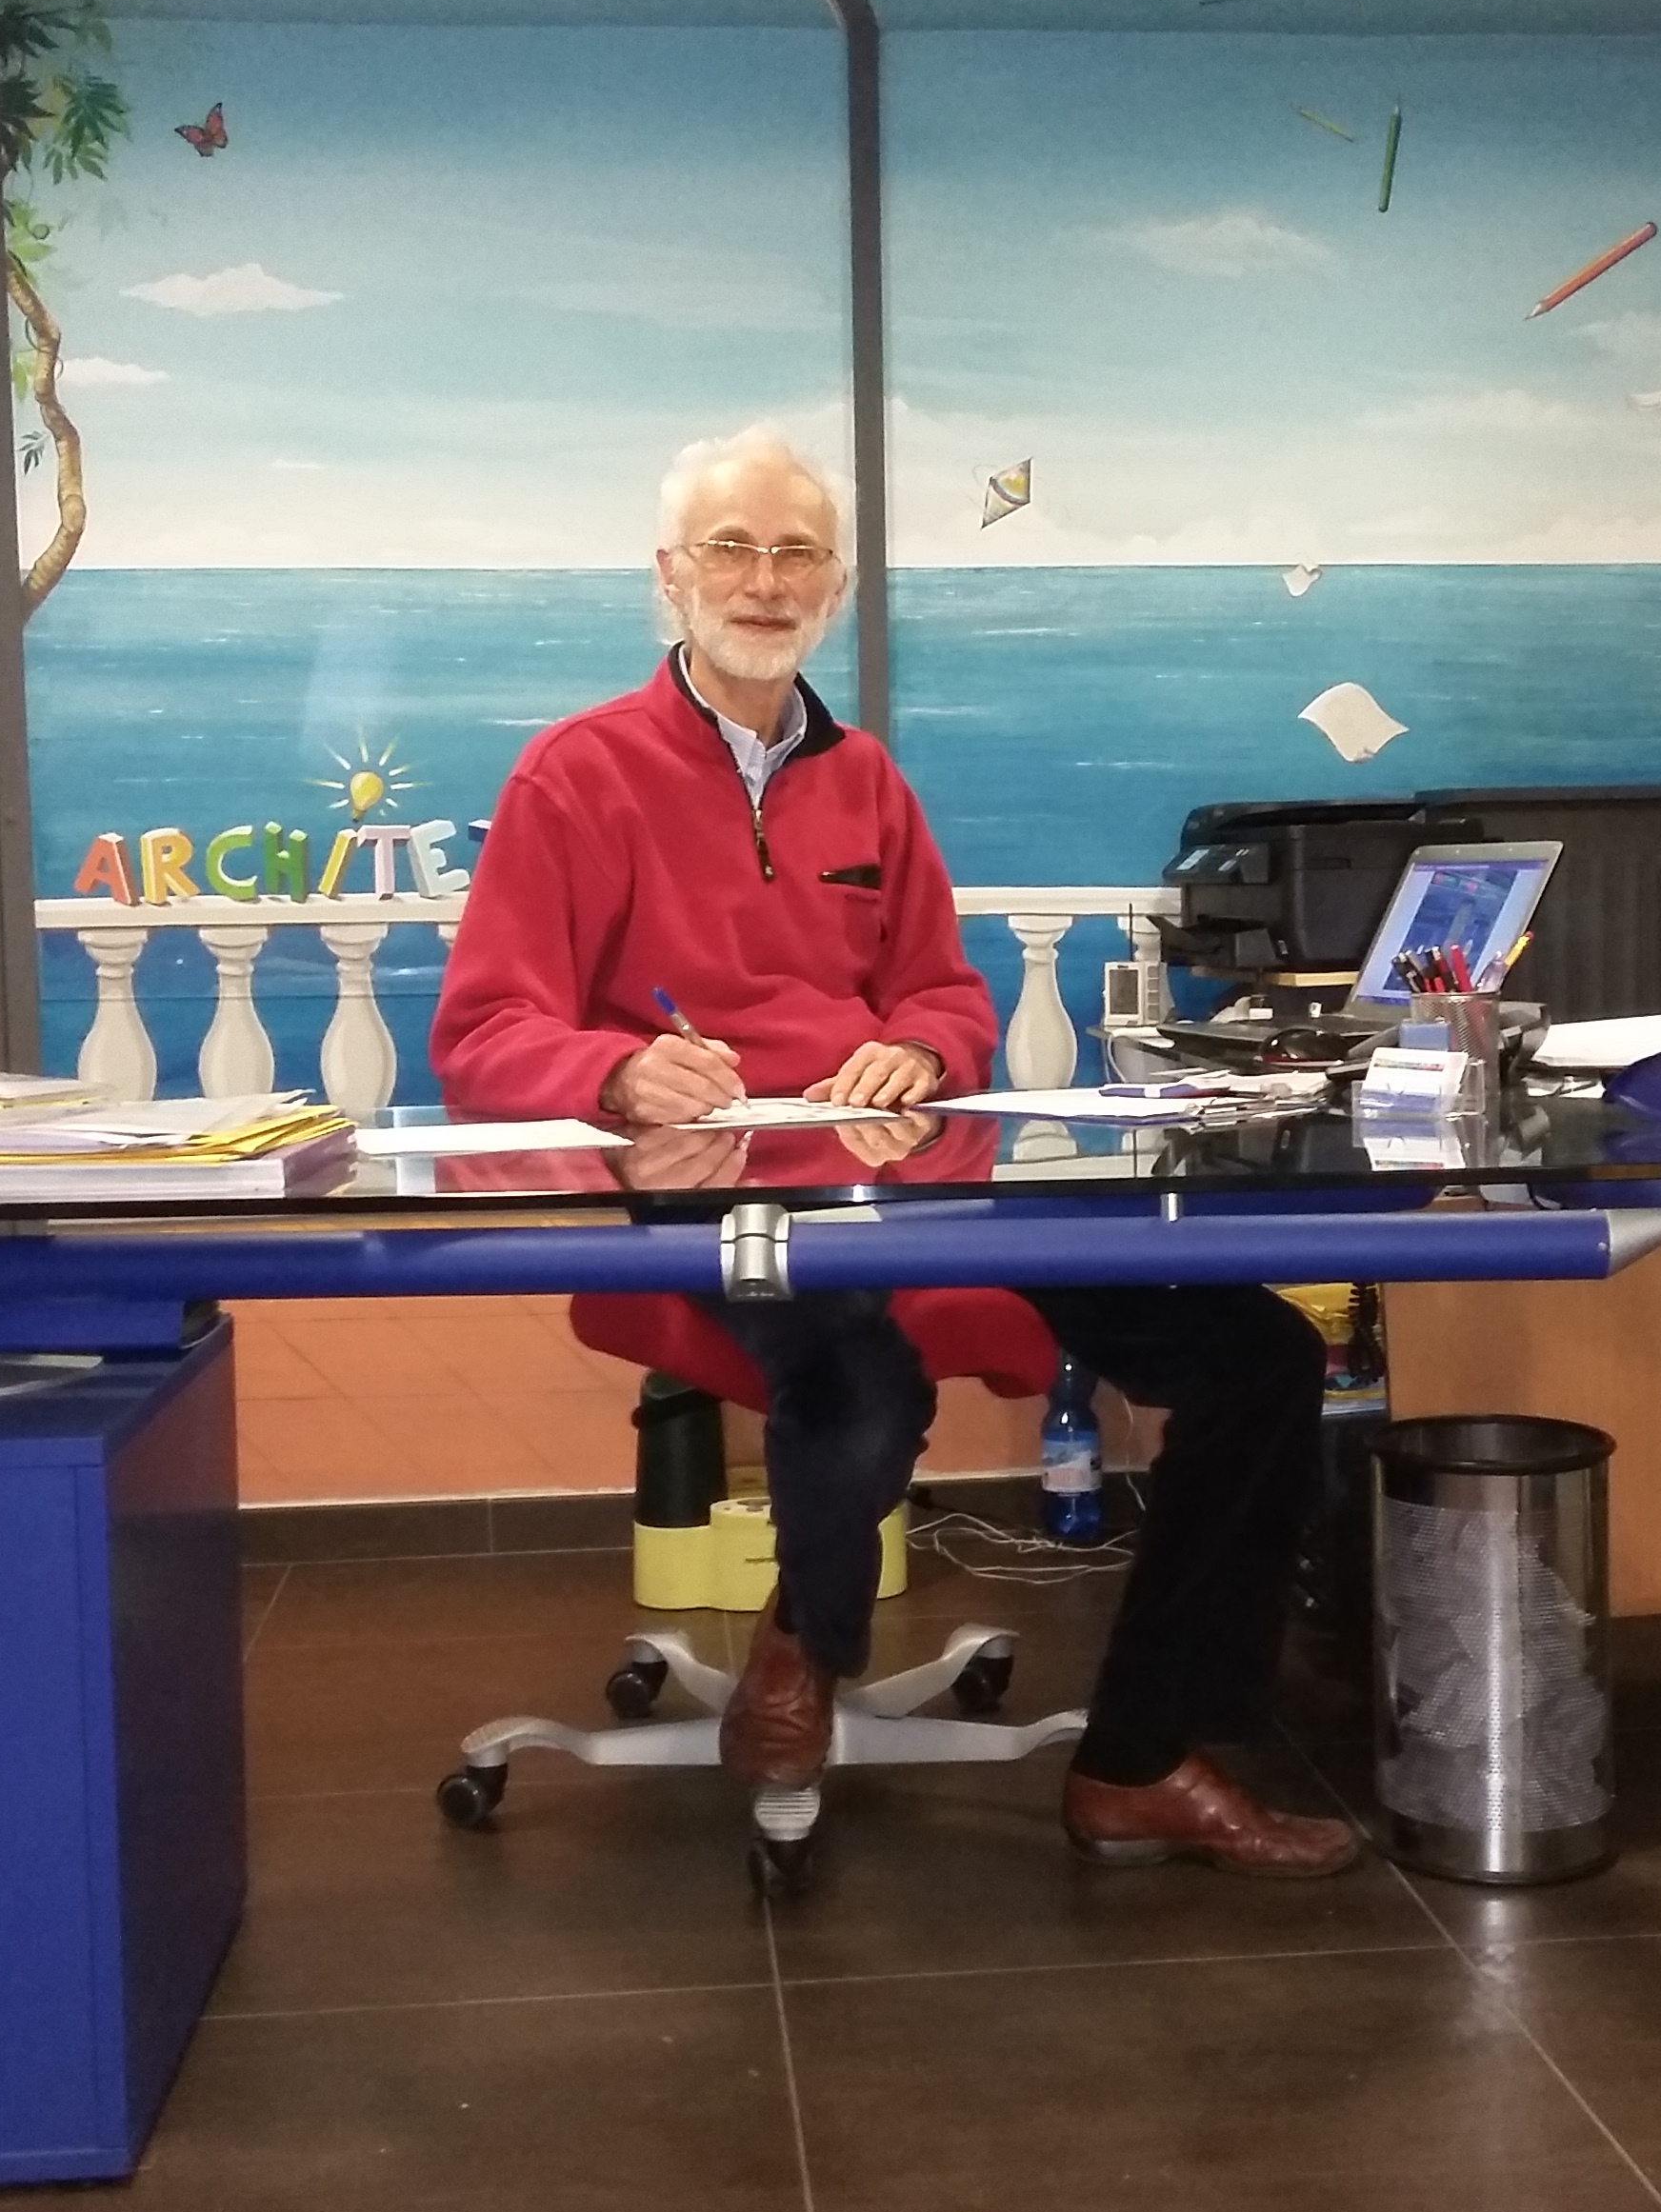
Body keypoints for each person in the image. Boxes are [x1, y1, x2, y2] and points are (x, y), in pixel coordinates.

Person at [430, 423, 1356, 1877]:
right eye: (732, 549)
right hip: (711, 1199)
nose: (765, 581)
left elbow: (946, 996)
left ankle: (1141, 1759)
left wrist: (921, 1050)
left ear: (837, 586)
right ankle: (805, 1650)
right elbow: (484, 1033)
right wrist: (615, 1068)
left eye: (798, 554)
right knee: (859, 1372)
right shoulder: (575, 775)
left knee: (1261, 1357)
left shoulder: (869, 781)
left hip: (916, 1188)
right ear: (671, 574)